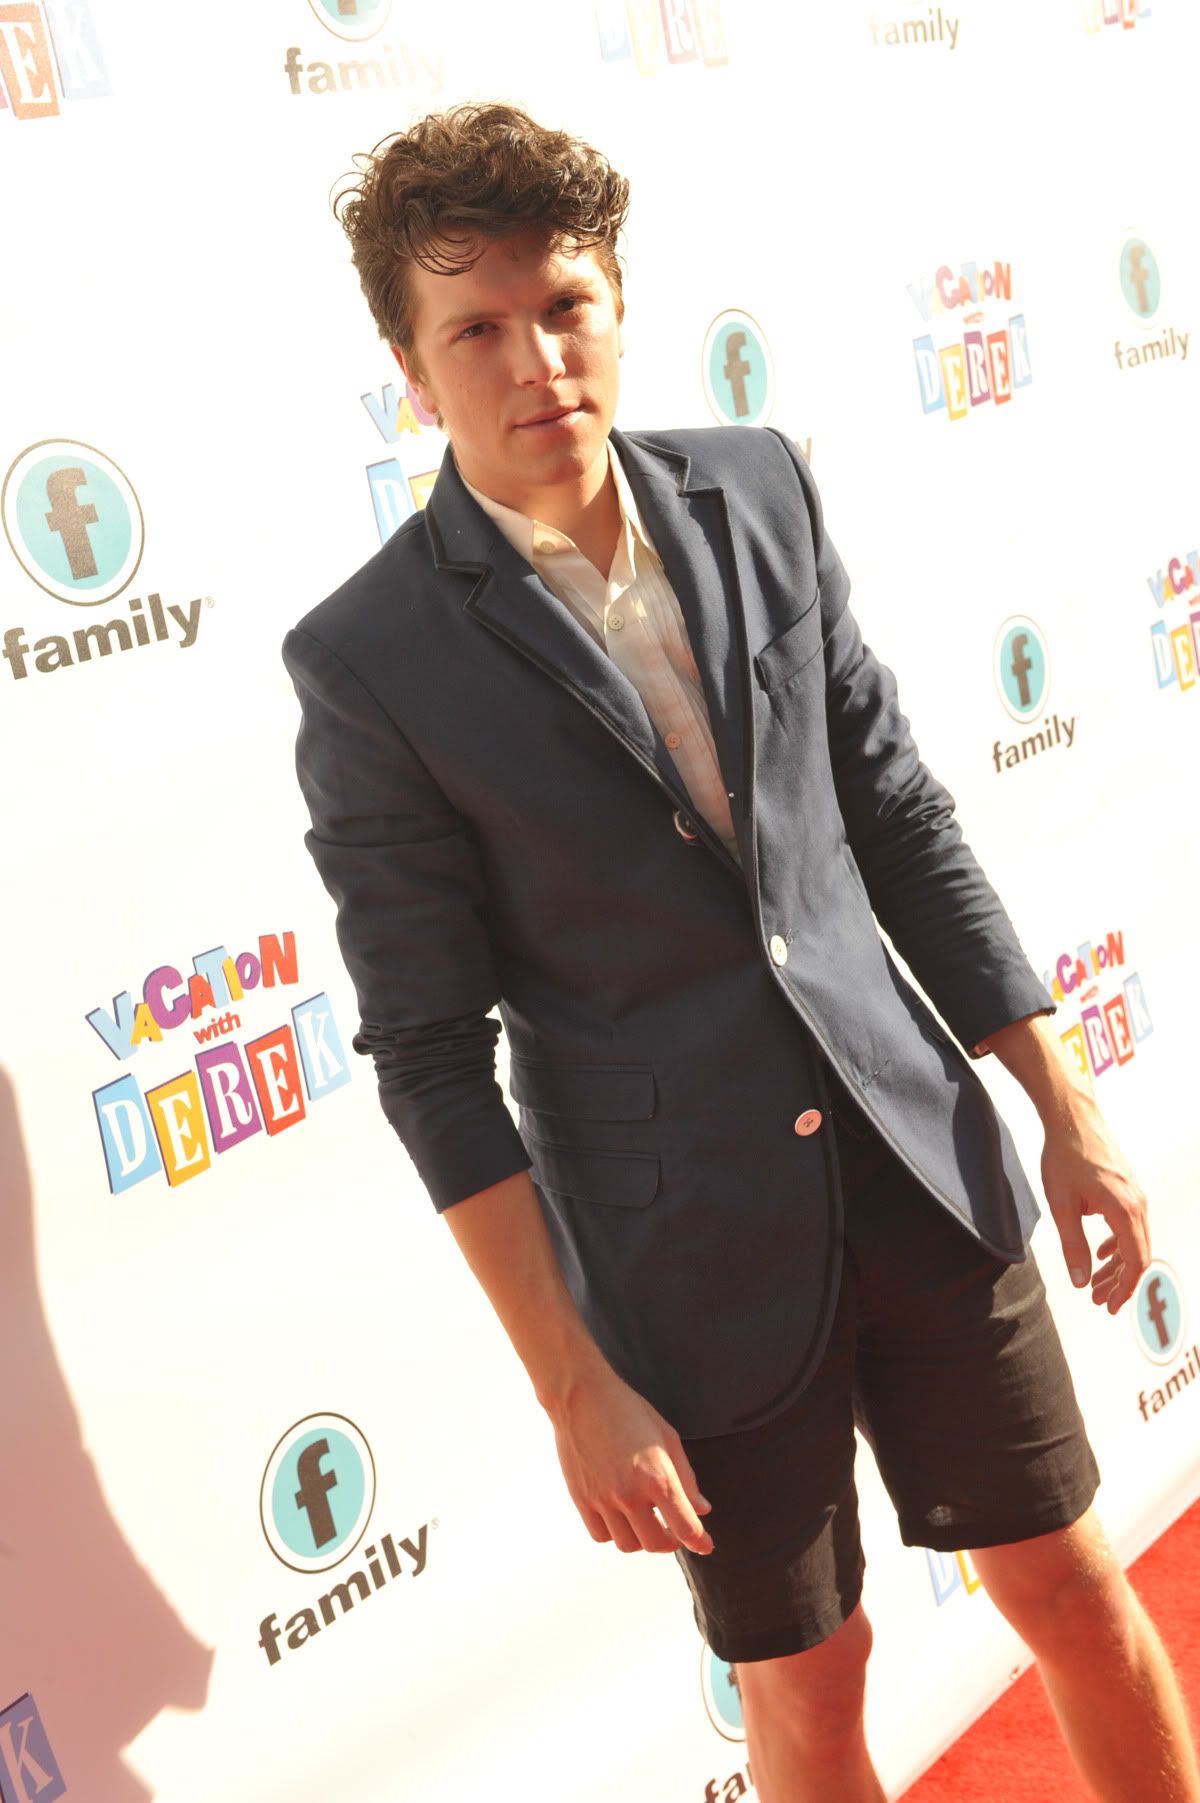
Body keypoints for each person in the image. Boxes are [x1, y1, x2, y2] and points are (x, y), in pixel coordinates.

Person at [280, 102, 1200, 1803]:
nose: (536, 360)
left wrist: (1063, 1107)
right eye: (475, 330)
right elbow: (429, 1053)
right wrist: (575, 1385)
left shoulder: (758, 486)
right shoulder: (371, 660)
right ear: (410, 374)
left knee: (1074, 1590)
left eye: (566, 305)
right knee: (813, 1689)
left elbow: (897, 812)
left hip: (919, 1160)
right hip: (687, 1253)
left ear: (617, 307)